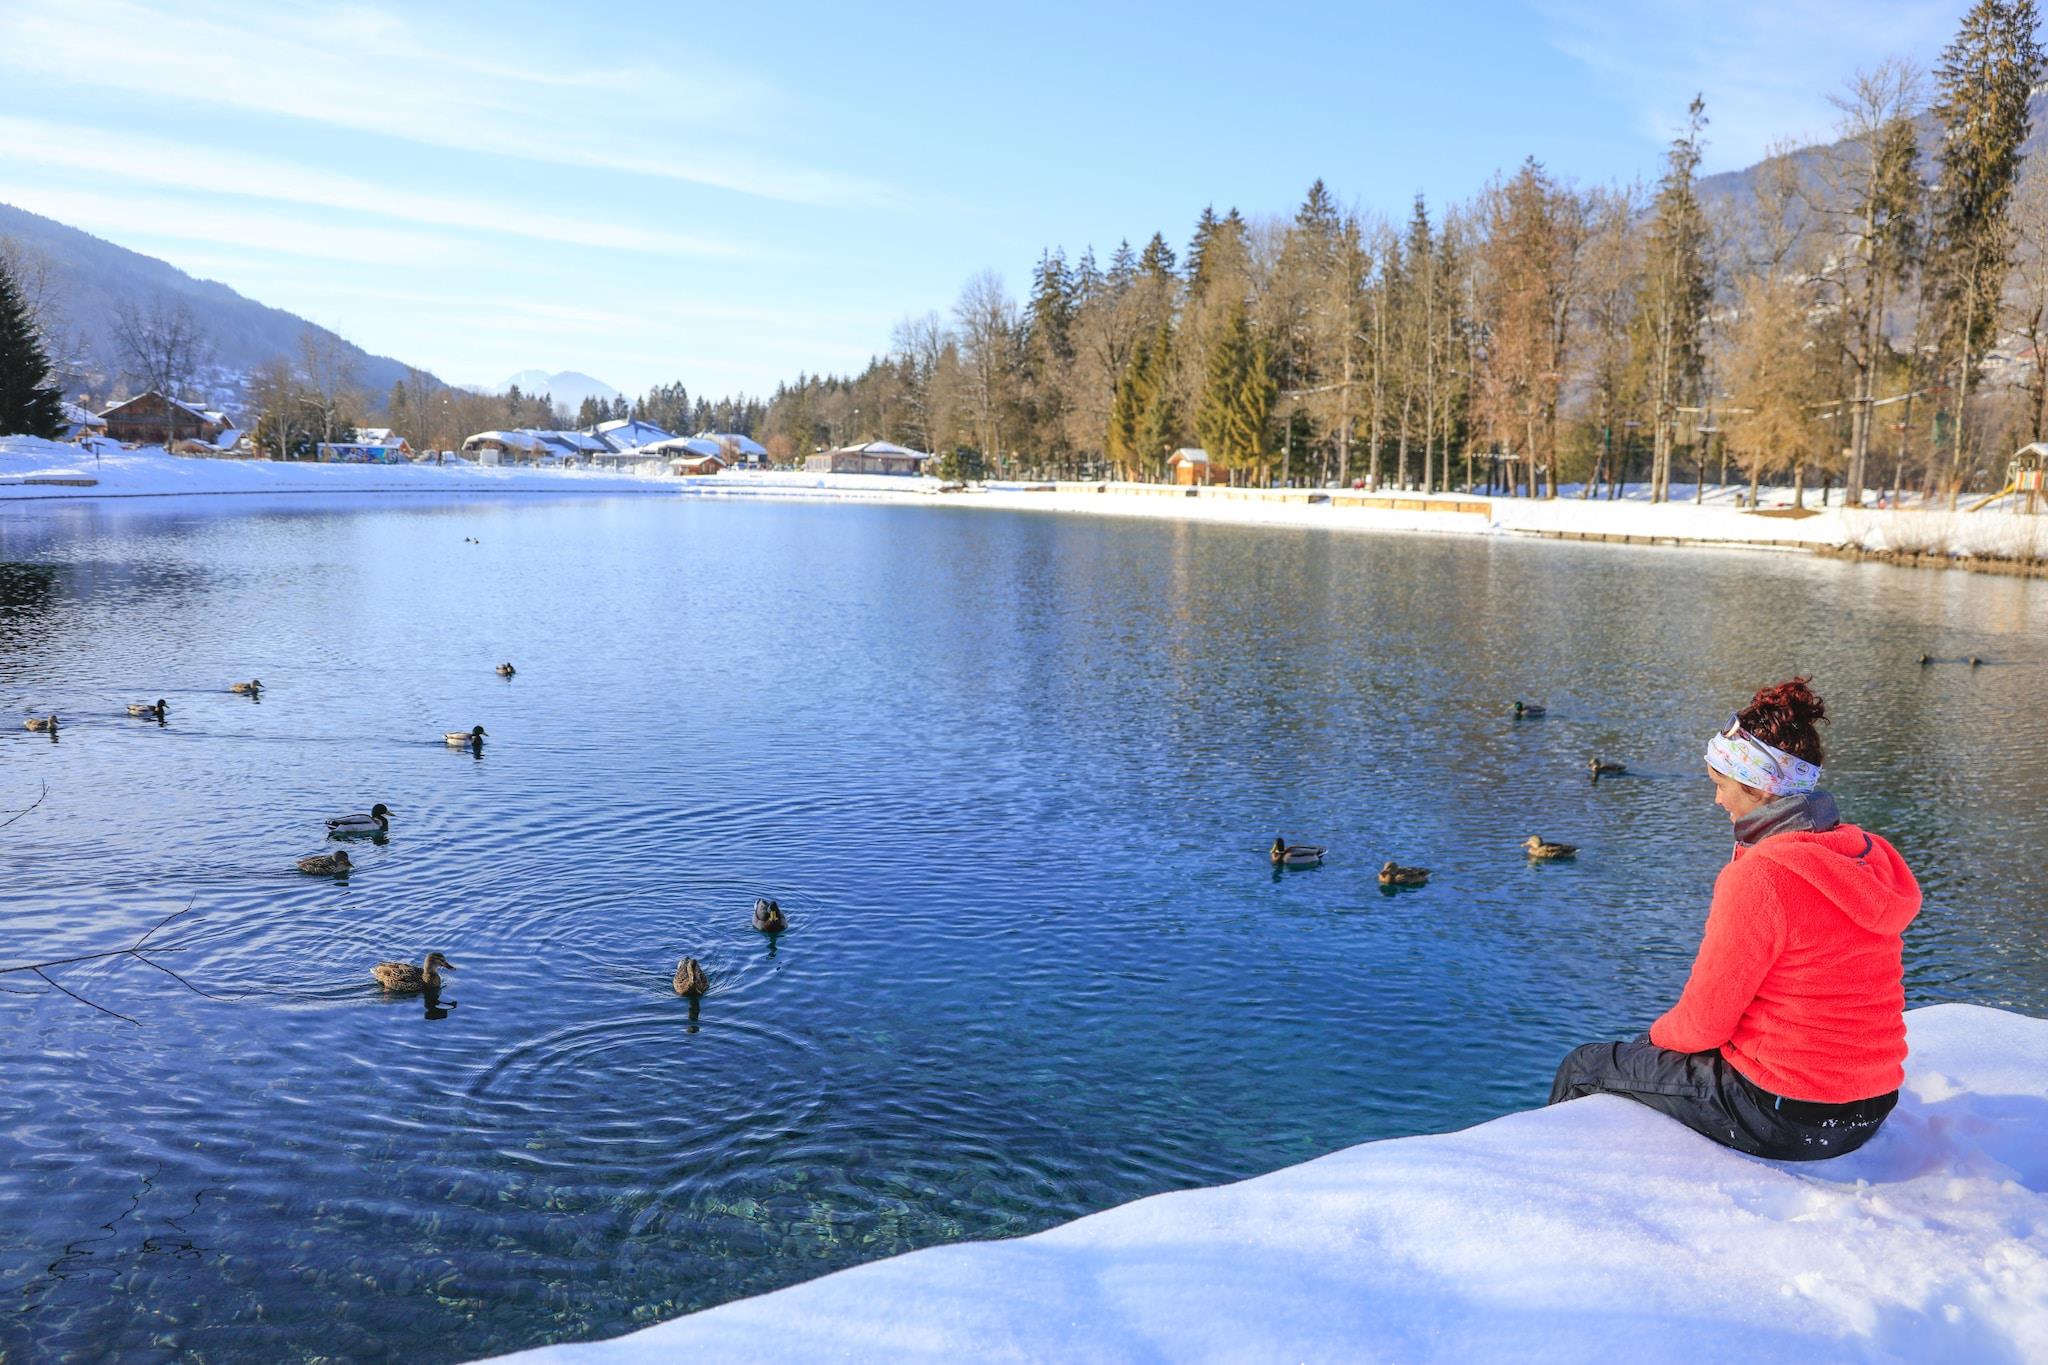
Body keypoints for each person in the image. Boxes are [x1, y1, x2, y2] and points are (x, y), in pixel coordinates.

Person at [1548, 678, 1921, 1160]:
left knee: (1585, 1066)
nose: (1718, 801)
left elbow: (1704, 1024)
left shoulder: (1764, 876)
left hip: (1785, 1114)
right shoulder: (1866, 856)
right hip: (1870, 1106)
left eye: (1722, 785)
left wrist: (1652, 1041)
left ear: (1761, 788)